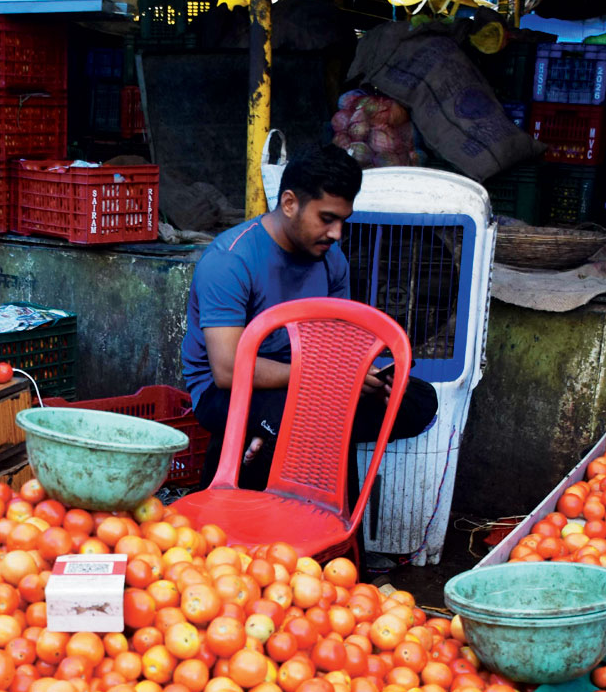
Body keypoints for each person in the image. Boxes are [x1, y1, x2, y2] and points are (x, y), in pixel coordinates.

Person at [180, 145, 439, 499]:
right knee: (318, 416)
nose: (336, 234)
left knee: (417, 399)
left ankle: (267, 436)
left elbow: (337, 348)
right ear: (289, 204)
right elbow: (228, 370)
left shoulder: (332, 262)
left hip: (308, 387)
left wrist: (372, 378)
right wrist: (329, 377)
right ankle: (252, 461)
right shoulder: (230, 261)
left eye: (343, 221)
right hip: (227, 393)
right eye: (327, 218)